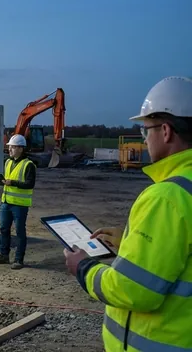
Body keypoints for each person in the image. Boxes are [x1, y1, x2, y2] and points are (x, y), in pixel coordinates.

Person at [64, 76, 192, 352]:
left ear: (166, 131)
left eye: (146, 131)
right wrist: (132, 246)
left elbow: (133, 290)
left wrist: (83, 267)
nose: (144, 140)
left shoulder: (167, 198)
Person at [0, 134, 37, 270]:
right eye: (9, 147)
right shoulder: (8, 162)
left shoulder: (29, 165)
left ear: (21, 149)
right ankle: (4, 255)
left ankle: (18, 260)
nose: (10, 149)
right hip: (6, 202)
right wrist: (1, 182)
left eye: (12, 147)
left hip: (20, 205)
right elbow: (7, 178)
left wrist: (12, 183)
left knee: (20, 232)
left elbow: (30, 184)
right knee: (4, 229)